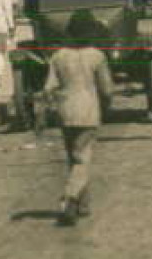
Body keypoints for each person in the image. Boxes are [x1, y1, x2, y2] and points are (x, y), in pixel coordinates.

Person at [44, 27, 115, 227]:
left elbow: (48, 88)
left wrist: (51, 107)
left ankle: (83, 205)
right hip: (88, 111)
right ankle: (69, 198)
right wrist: (108, 105)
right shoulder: (97, 56)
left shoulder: (58, 56)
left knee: (73, 157)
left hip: (65, 111)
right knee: (82, 158)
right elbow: (107, 89)